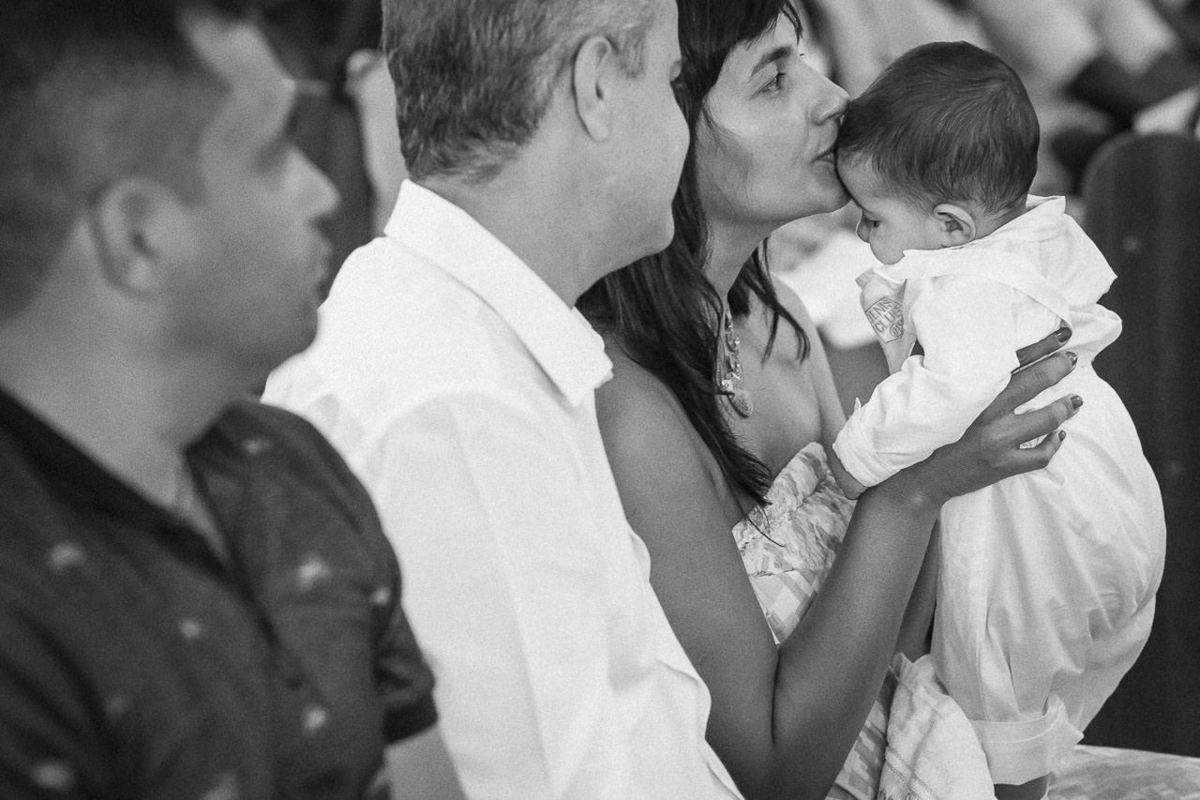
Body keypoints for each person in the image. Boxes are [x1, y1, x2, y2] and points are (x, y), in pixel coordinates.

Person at [578, 2, 1088, 798]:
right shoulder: (627, 407)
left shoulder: (778, 319)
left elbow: (899, 647)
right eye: (776, 79)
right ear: (665, 124)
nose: (835, 99)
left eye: (806, 60)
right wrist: (919, 485)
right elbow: (775, 773)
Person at [263, 0, 746, 796]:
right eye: (671, 82)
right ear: (595, 86)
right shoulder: (455, 409)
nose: (683, 121)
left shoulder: (469, 341)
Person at [0, 1, 463, 797]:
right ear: (139, 236)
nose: (324, 191)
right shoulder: (22, 615)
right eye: (274, 153)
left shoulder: (290, 465)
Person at [829, 41, 1167, 798]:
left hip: (1032, 509)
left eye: (872, 216)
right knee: (1047, 676)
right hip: (1105, 481)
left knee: (996, 676)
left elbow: (960, 382)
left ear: (951, 224)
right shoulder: (1027, 238)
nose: (859, 232)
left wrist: (856, 453)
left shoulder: (967, 284)